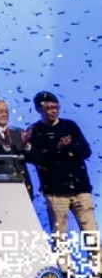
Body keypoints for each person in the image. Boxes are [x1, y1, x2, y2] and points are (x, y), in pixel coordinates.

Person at [25, 91, 96, 240]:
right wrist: (58, 148)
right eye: (48, 108)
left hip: (81, 189)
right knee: (59, 237)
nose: (54, 111)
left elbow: (86, 152)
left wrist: (71, 145)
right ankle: (62, 258)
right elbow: (39, 161)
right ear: (38, 109)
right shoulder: (34, 131)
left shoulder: (69, 126)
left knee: (92, 235)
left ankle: (97, 256)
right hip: (55, 192)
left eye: (56, 107)